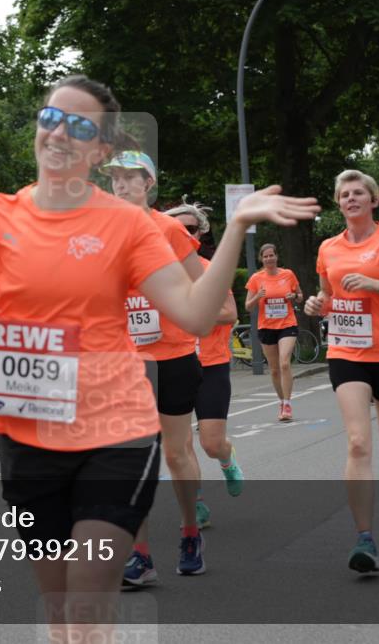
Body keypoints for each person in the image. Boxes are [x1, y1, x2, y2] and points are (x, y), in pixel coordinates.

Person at [0, 74, 319, 640]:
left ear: (99, 150)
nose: (60, 133)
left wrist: (237, 227)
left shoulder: (126, 223)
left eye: (80, 126)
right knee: (61, 613)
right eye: (52, 118)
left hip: (113, 431)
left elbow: (196, 315)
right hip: (27, 431)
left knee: (88, 602)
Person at [304, 169, 379, 574]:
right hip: (347, 352)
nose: (351, 198)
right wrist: (316, 304)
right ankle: (364, 539)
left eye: (359, 193)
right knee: (358, 442)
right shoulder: (328, 248)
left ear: (373, 200)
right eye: (345, 194)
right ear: (338, 203)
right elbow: (328, 295)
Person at [101, 145, 209, 582]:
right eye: (115, 177)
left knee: (178, 454)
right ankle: (140, 555)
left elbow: (202, 287)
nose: (121, 184)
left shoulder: (169, 229)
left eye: (130, 177)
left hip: (173, 356)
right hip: (125, 363)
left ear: (148, 184)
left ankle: (190, 532)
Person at [165, 202, 243, 531]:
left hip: (210, 363)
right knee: (180, 446)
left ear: (200, 233)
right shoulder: (155, 272)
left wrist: (189, 312)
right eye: (177, 229)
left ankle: (226, 457)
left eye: (191, 229)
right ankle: (195, 503)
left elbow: (230, 314)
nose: (184, 234)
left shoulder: (208, 268)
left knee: (210, 443)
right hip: (174, 363)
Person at [244, 243, 304, 420]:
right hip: (266, 326)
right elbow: (248, 306)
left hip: (287, 324)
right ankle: (282, 401)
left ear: (277, 257)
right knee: (274, 370)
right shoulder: (256, 278)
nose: (269, 259)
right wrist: (257, 296)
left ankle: (288, 404)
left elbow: (300, 296)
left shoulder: (288, 274)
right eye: (265, 256)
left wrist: (294, 296)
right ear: (261, 259)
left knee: (284, 363)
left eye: (271, 255)